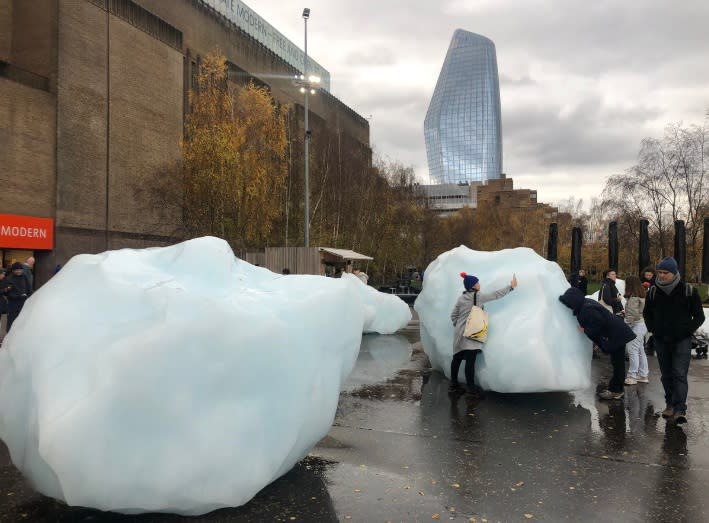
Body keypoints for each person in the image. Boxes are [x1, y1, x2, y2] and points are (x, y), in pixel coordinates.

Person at [643, 256, 704, 424]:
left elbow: (699, 316)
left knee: (679, 374)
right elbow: (647, 313)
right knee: (667, 375)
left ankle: (680, 409)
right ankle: (670, 404)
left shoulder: (688, 291)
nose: (661, 275)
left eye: (665, 272)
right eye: (660, 272)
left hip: (681, 341)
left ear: (674, 272)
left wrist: (686, 330)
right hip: (661, 340)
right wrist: (653, 329)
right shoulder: (653, 291)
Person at [559, 287, 636, 400]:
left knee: (618, 364)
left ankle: (616, 391)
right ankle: (616, 388)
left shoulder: (586, 308)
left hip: (616, 335)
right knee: (617, 363)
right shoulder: (586, 304)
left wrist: (585, 330)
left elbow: (598, 323)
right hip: (617, 333)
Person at [450, 271, 518, 397]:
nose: (479, 284)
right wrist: (511, 287)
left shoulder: (461, 298)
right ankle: (471, 389)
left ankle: (453, 385)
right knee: (470, 362)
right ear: (473, 286)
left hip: (459, 333)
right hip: (471, 334)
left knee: (457, 359)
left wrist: (459, 325)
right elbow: (496, 295)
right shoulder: (478, 296)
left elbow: (453, 315)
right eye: (477, 283)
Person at [623, 276, 649, 385]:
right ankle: (643, 374)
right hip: (642, 324)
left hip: (636, 325)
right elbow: (637, 312)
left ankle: (632, 376)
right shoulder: (641, 295)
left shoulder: (633, 297)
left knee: (632, 349)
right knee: (640, 350)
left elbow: (633, 315)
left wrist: (625, 321)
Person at [5, 262, 32, 332]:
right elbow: (6, 293)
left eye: (20, 269)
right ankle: (9, 336)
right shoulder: (9, 279)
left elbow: (29, 288)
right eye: (16, 270)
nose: (19, 271)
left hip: (23, 302)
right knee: (12, 320)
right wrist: (18, 296)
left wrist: (30, 297)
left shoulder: (24, 276)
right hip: (13, 304)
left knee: (23, 320)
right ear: (13, 270)